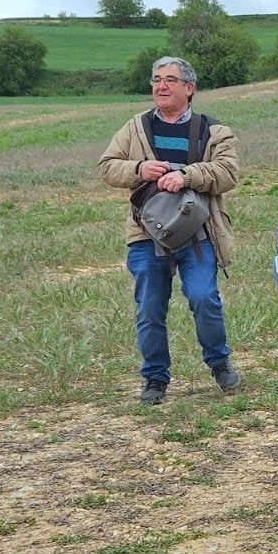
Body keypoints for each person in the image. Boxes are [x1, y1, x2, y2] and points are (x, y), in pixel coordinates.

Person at [98, 55, 242, 405]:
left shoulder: (215, 130)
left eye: (170, 80)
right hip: (147, 234)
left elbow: (229, 173)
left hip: (198, 233)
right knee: (149, 307)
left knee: (203, 297)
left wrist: (188, 176)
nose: (161, 86)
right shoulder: (135, 128)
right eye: (156, 79)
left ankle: (220, 365)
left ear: (189, 89)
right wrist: (138, 168)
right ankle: (155, 379)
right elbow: (106, 166)